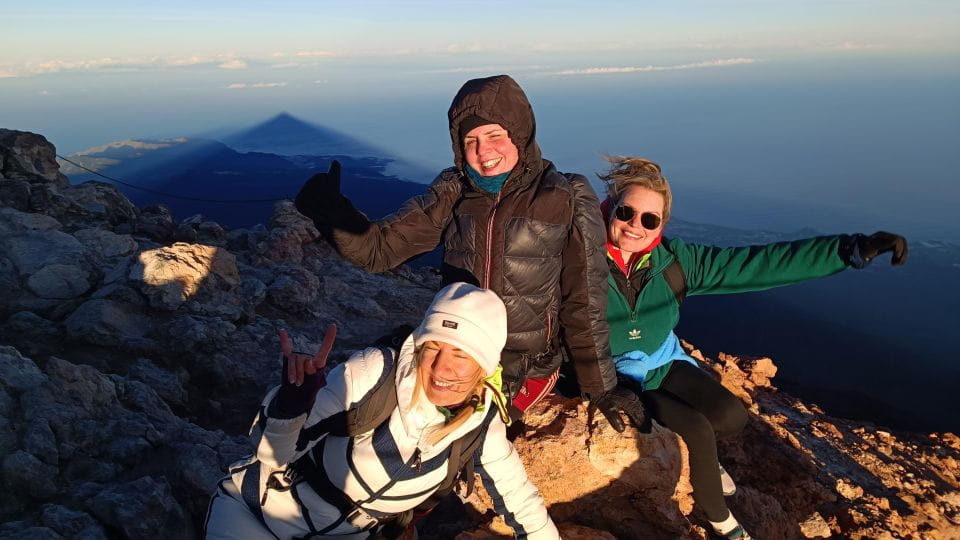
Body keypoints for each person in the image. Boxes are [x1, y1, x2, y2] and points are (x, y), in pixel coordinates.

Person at [294, 74, 643, 430]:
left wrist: (600, 386)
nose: (483, 152)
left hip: (522, 365)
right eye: (470, 141)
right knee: (364, 419)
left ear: (520, 134)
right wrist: (332, 213)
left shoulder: (564, 196)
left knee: (466, 436)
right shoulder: (454, 192)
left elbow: (584, 298)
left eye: (494, 136)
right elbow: (380, 250)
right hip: (453, 349)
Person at [598, 156, 907, 540]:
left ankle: (702, 459)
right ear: (609, 208)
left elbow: (758, 264)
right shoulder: (582, 262)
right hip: (612, 375)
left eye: (650, 219)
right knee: (697, 429)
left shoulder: (675, 263)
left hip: (662, 360)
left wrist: (849, 250)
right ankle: (719, 519)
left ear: (662, 225)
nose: (635, 225)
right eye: (626, 212)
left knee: (730, 417)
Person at [204, 283, 560, 539]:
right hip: (256, 517)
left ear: (484, 364)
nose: (441, 368)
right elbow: (271, 455)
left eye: (460, 355)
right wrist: (291, 406)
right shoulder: (374, 374)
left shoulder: (482, 423)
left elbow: (521, 502)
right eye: (432, 347)